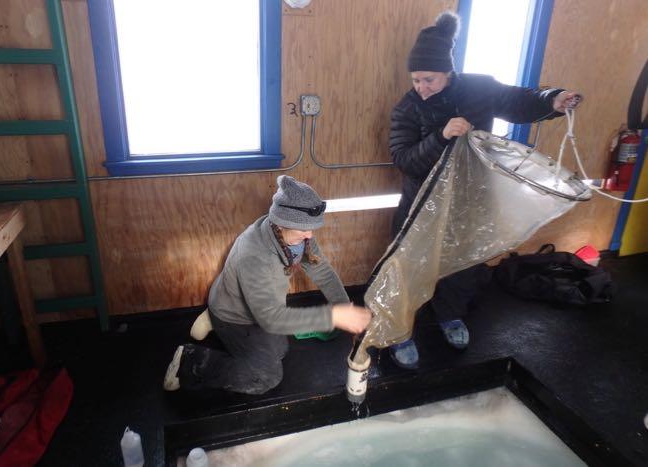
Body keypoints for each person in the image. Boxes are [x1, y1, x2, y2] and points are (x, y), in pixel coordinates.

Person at [388, 11, 581, 369]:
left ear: (448, 72)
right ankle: (400, 329)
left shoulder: (479, 88)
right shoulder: (407, 108)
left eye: (429, 79)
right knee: (408, 266)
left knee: (463, 263)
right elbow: (405, 160)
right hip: (421, 204)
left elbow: (519, 101)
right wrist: (440, 135)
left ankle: (450, 315)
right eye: (416, 79)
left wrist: (552, 100)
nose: (421, 87)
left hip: (468, 198)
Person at [163, 175, 372, 394]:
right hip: (234, 315)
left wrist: (345, 306)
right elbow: (271, 319)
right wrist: (334, 316)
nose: (311, 234)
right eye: (304, 229)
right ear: (282, 223)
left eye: (312, 228)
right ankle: (190, 360)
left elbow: (321, 270)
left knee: (280, 350)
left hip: (251, 303)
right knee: (266, 376)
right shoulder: (253, 254)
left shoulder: (298, 236)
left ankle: (213, 318)